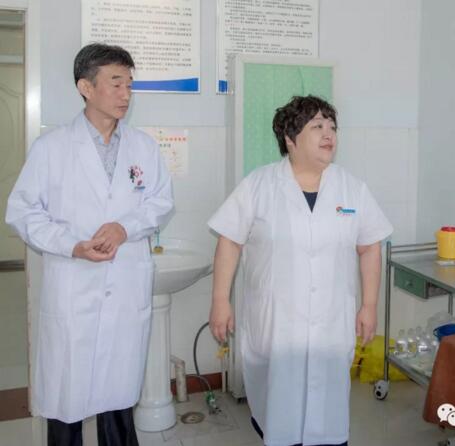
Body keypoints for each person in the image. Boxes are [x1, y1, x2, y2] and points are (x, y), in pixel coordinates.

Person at [5, 43, 174, 446]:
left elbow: (161, 202)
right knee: (67, 398)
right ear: (85, 87)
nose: (125, 94)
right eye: (116, 83)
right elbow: (23, 212)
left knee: (118, 400)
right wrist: (72, 245)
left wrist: (124, 228)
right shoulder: (52, 148)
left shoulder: (143, 147)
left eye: (129, 84)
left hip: (125, 285)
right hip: (74, 284)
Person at [208, 95, 392, 446]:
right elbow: (229, 241)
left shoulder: (352, 188)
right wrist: (220, 300)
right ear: (290, 139)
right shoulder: (259, 185)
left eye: (332, 126)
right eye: (317, 126)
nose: (329, 134)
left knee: (328, 417)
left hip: (330, 323)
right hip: (277, 324)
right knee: (279, 413)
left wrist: (369, 306)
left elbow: (370, 246)